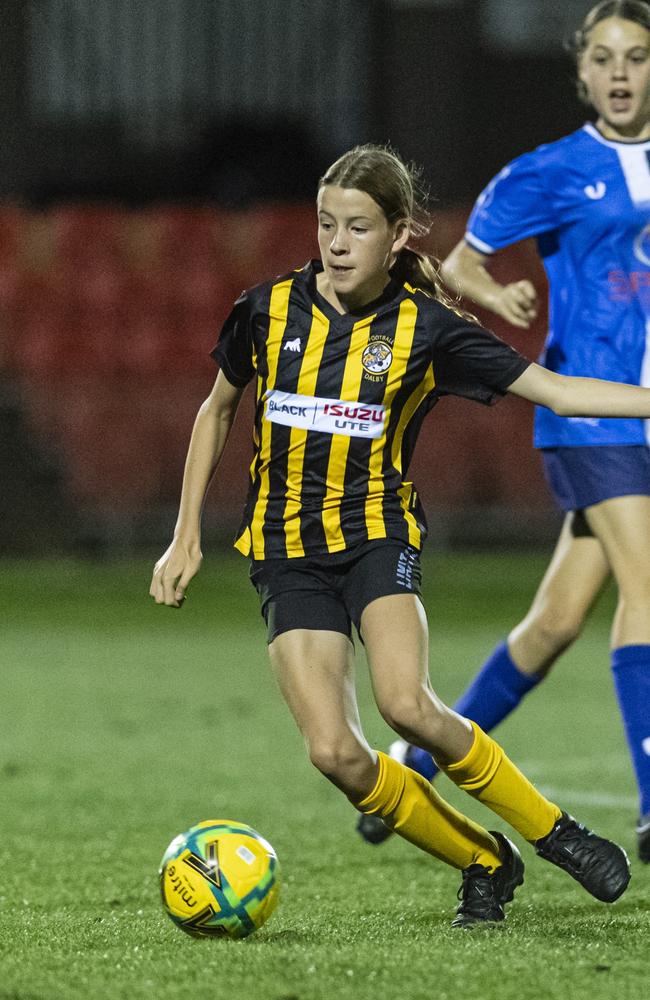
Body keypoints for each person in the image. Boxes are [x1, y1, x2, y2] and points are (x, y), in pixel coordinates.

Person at [150, 142, 641, 929]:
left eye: (357, 227)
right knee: (337, 756)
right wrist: (184, 536)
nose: (336, 243)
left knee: (407, 705)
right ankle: (486, 860)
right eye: (324, 224)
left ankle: (556, 833)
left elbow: (553, 388)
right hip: (284, 553)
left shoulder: (429, 329)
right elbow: (216, 410)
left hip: (378, 535)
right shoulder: (266, 309)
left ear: (398, 234)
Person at [356, 0, 650, 864]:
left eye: (636, 55)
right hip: (594, 412)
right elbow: (460, 259)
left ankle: (413, 764)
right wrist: (493, 295)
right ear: (581, 71)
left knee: (556, 620)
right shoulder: (553, 169)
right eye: (604, 57)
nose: (621, 72)